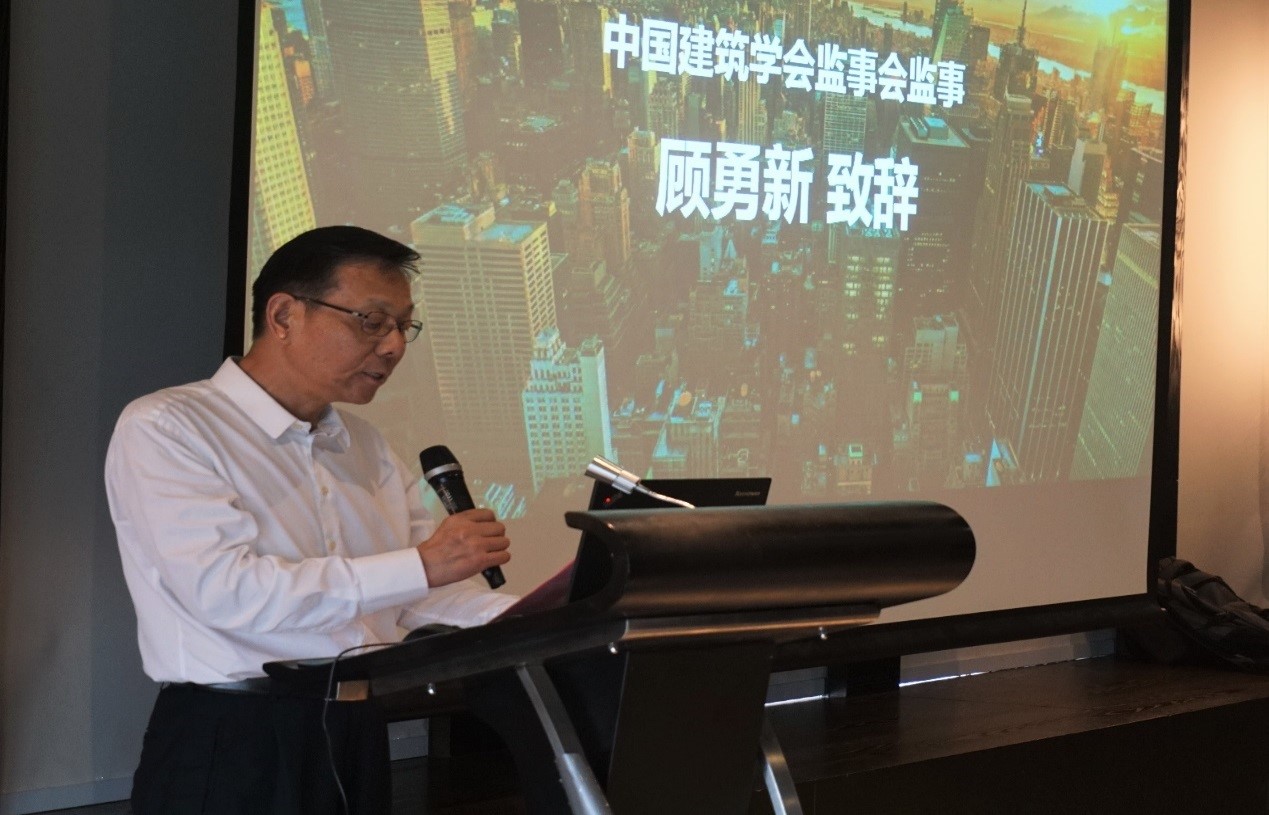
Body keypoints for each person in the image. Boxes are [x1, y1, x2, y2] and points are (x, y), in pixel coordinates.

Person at [105, 225, 515, 814]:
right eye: (372, 321)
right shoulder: (169, 426)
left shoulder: (365, 446)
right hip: (234, 734)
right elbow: (225, 593)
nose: (393, 346)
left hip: (356, 728)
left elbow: (419, 595)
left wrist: (551, 613)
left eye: (404, 326)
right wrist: (421, 566)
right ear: (283, 316)